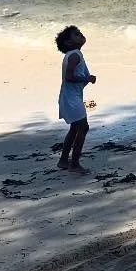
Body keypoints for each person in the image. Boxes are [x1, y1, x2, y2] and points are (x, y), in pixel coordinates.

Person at [55, 25, 96, 174]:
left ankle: (63, 160)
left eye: (80, 33)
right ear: (68, 42)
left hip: (71, 97)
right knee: (83, 127)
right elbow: (69, 77)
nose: (80, 35)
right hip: (71, 99)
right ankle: (75, 164)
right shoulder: (74, 55)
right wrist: (87, 78)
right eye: (76, 34)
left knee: (75, 128)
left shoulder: (74, 54)